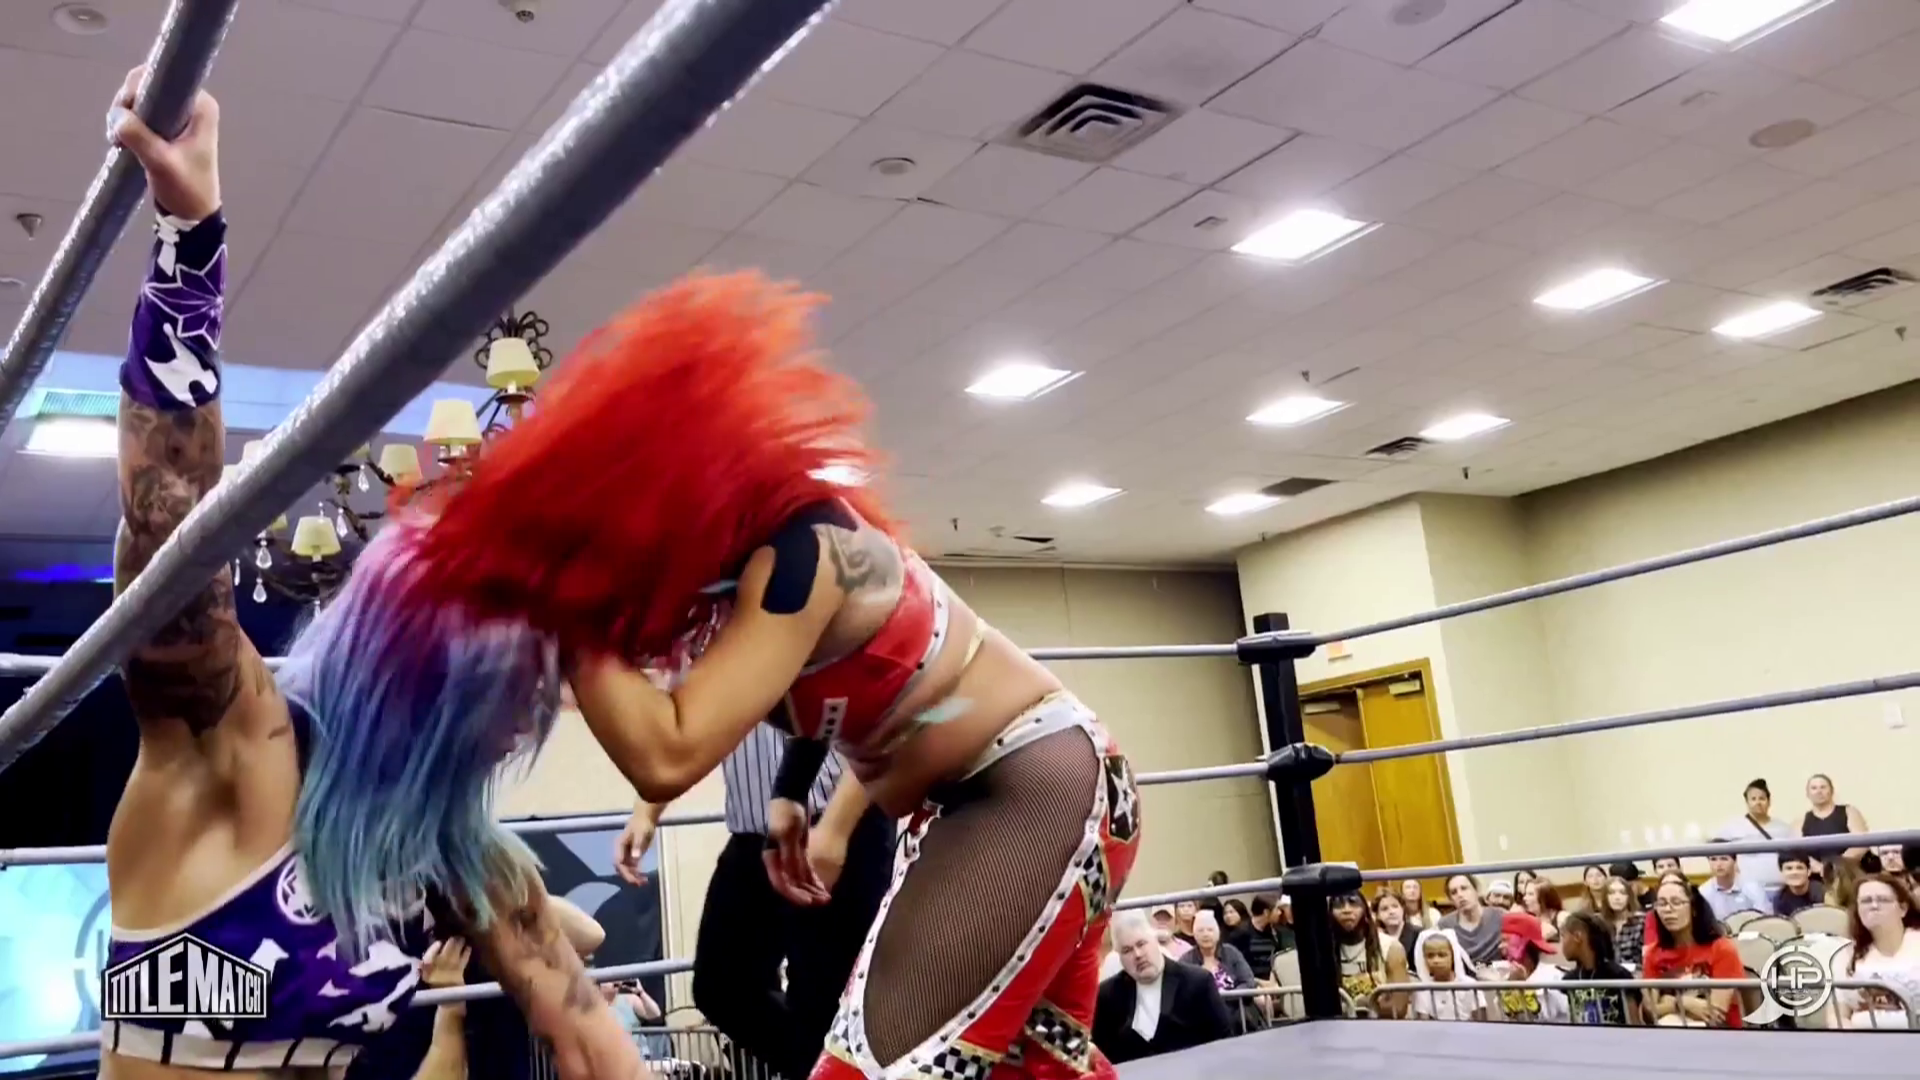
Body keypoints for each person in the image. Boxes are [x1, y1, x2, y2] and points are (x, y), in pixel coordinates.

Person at [405, 272, 1142, 1080]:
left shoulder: (804, 549)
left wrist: (551, 580)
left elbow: (667, 752)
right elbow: (880, 691)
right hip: (989, 794)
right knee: (1033, 1067)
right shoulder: (745, 578)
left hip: (1029, 789)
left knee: (865, 1069)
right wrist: (793, 791)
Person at [97, 69, 637, 1080]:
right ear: (423, 681)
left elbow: (595, 1043)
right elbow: (167, 539)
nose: (517, 734)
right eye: (510, 701)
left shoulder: (454, 856)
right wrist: (190, 244)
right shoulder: (239, 746)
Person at [615, 721, 892, 1080]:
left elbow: (877, 720)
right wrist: (647, 811)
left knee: (824, 997)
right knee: (720, 986)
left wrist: (837, 829)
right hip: (755, 834)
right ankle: (824, 1070)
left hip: (837, 822)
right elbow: (688, 724)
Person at [1093, 912, 1231, 1065]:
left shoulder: (1197, 983)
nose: (1137, 954)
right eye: (1127, 950)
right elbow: (1101, 1057)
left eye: (1141, 944)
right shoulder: (1107, 996)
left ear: (1155, 941)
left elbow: (1224, 1042)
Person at [1643, 875, 1743, 1028]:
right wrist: (1683, 1003)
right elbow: (1650, 1011)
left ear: (1694, 908)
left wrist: (1667, 1001)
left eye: (1676, 902)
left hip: (1722, 1033)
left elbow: (1715, 1014)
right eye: (1661, 904)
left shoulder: (1722, 949)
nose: (1668, 910)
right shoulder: (1653, 953)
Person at [1837, 873, 1920, 1029]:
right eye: (1866, 901)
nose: (1874, 906)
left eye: (1883, 900)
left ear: (1903, 908)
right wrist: (1849, 1037)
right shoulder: (1847, 954)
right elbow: (1837, 1016)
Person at [1330, 892, 1409, 1018]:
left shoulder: (1391, 948)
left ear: (1366, 911)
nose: (1346, 910)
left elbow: (1399, 1008)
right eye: (1339, 905)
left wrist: (1366, 1005)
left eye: (1353, 903)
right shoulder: (1322, 952)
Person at [1559, 912, 1638, 1026]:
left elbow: (1634, 1023)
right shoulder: (1569, 981)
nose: (1562, 943)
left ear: (1577, 936)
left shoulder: (1618, 976)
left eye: (1563, 936)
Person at [1716, 778, 1792, 896]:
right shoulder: (1732, 828)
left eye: (1762, 798)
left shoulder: (1783, 828)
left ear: (1769, 801)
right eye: (1753, 799)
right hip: (1747, 891)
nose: (1758, 802)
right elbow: (1717, 852)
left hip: (1780, 889)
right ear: (1747, 802)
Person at [1409, 929, 1485, 1022]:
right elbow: (1424, 1023)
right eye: (1430, 956)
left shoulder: (1470, 985)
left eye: (1442, 955)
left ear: (1453, 957)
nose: (1436, 961)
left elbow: (1482, 1023)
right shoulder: (1423, 990)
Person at [1801, 773, 1869, 874]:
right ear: (1808, 794)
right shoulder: (1801, 820)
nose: (1819, 791)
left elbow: (1862, 844)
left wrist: (1838, 866)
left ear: (1831, 791)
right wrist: (1821, 869)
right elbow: (1798, 851)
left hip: (1849, 872)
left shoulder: (1849, 812)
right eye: (1814, 788)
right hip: (1817, 875)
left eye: (1823, 787)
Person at [1438, 874, 1507, 967]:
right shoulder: (1444, 925)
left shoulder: (1500, 916)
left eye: (1464, 888)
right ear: (1451, 900)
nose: (1460, 895)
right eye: (1454, 892)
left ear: (1476, 890)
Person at [1700, 847, 1770, 923]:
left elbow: (1764, 920)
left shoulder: (1753, 888)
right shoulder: (1704, 892)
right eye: (1713, 859)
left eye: (1724, 859)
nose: (1719, 864)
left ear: (1735, 861)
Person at [1601, 876, 1645, 971]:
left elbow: (1646, 958)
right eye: (1612, 893)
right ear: (1605, 897)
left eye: (1622, 893)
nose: (1617, 897)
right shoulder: (1598, 924)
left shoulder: (1641, 922)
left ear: (1629, 896)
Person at [1771, 853, 1825, 917]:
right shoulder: (1779, 899)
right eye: (1789, 868)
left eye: (1799, 868)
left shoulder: (1823, 893)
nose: (1794, 872)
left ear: (1809, 872)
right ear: (1782, 872)